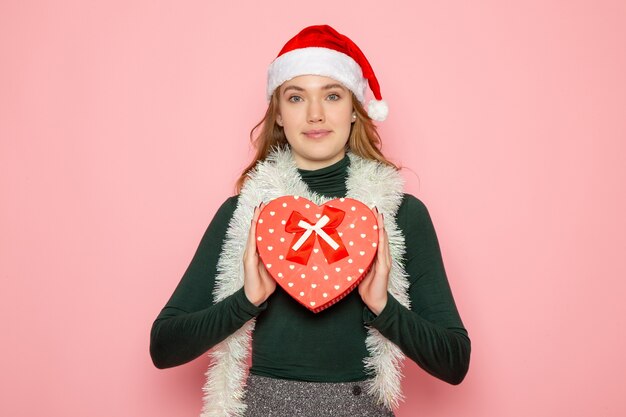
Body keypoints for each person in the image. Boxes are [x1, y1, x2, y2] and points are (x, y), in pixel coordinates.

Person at [150, 24, 470, 417]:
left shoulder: (400, 214)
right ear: (279, 114)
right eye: (296, 97)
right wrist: (246, 301)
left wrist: (383, 305)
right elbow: (163, 347)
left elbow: (454, 361)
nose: (315, 114)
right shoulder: (245, 215)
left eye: (332, 96)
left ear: (354, 110)